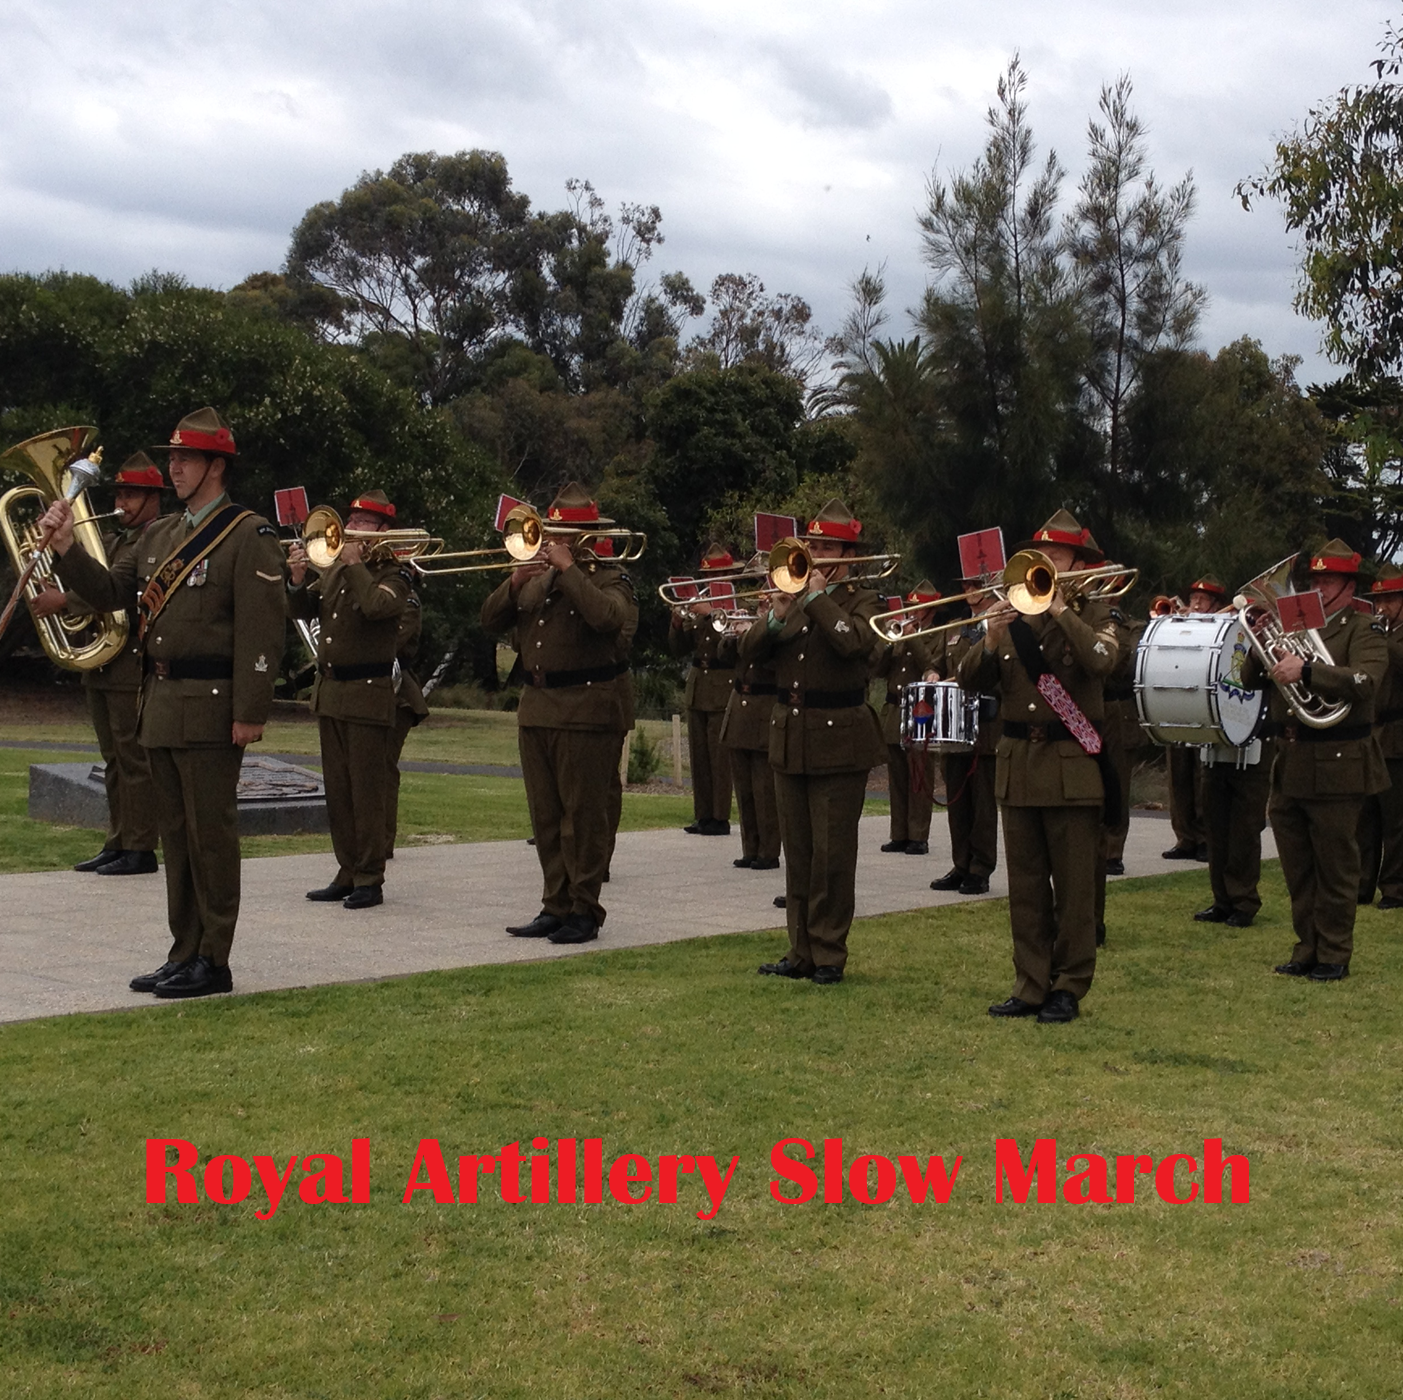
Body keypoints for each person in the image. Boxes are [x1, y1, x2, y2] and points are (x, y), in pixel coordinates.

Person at [39, 408, 286, 998]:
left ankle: (215, 958)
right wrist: (70, 547)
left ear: (216, 466)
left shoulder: (246, 535)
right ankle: (184, 950)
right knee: (176, 838)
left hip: (213, 706)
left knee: (211, 836)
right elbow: (109, 595)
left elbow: (263, 634)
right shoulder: (160, 534)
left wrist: (250, 710)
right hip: (162, 701)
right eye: (172, 457)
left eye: (184, 458)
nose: (173, 467)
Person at [959, 509, 1118, 1023]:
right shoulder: (1011, 617)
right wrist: (988, 638)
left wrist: (1060, 610)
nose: (1046, 564)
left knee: (1074, 889)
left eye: (1058, 557)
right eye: (1041, 557)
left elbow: (1100, 661)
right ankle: (1030, 982)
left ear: (1079, 564)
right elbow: (969, 681)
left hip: (1072, 765)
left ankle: (1069, 984)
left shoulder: (1099, 614)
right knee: (1025, 886)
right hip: (1019, 765)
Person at [481, 482, 634, 944]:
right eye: (555, 533)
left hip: (587, 709)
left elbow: (609, 620)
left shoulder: (612, 578)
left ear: (588, 535)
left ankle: (585, 908)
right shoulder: (538, 576)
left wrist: (569, 570)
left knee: (582, 817)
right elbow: (489, 621)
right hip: (538, 708)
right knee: (545, 817)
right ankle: (555, 904)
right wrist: (514, 582)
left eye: (568, 534)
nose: (556, 541)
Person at [740, 499, 884, 985]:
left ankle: (828, 953)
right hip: (791, 736)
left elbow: (855, 644)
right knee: (798, 854)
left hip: (839, 739)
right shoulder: (791, 597)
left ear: (848, 555)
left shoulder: (863, 600)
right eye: (813, 546)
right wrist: (776, 617)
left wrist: (819, 600)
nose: (816, 555)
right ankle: (799, 950)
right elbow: (745, 653)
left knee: (832, 857)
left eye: (826, 547)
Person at [1243, 540, 1387, 980]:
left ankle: (1334, 954)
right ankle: (1307, 946)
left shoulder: (1364, 628)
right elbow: (1250, 679)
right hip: (1292, 758)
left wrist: (1305, 670)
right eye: (1316, 579)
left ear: (1348, 585)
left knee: (1337, 866)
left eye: (1328, 580)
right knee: (1297, 865)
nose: (1319, 587)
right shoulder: (1295, 625)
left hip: (1338, 759)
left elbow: (1365, 682)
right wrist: (1258, 640)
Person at [31, 453, 167, 876]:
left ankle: (141, 847)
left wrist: (64, 602)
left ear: (153, 498)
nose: (122, 501)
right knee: (111, 758)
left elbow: (119, 592)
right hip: (103, 660)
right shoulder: (113, 540)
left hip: (130, 659)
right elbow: (91, 577)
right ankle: (119, 839)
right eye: (120, 493)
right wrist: (53, 547)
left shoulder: (156, 538)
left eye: (131, 494)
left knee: (133, 758)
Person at [288, 490, 412, 909]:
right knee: (338, 791)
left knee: (366, 790)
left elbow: (378, 608)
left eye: (364, 523)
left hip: (367, 693)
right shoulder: (337, 570)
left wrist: (357, 564)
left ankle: (370, 876)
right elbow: (302, 610)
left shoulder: (395, 573)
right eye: (352, 520)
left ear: (383, 532)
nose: (353, 528)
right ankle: (346, 869)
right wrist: (297, 578)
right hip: (333, 692)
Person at [932, 589, 1002, 895]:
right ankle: (960, 865)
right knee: (957, 802)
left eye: (978, 585)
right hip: (952, 724)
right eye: (967, 586)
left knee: (983, 803)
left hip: (986, 725)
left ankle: (980, 869)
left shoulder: (1003, 625)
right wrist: (932, 673)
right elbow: (936, 662)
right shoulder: (956, 628)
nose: (971, 592)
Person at [872, 581, 943, 857]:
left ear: (931, 610)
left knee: (919, 775)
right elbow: (878, 670)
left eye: (919, 608)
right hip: (894, 711)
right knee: (897, 778)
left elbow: (930, 665)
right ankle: (898, 833)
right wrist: (890, 642)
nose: (913, 613)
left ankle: (918, 835)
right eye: (910, 607)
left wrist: (912, 637)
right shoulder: (898, 635)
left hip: (919, 712)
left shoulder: (938, 635)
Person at [669, 543, 736, 835]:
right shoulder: (699, 603)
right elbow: (677, 649)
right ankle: (703, 814)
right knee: (699, 756)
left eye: (718, 575)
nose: (711, 581)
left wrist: (710, 614)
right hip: (699, 685)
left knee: (720, 757)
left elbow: (733, 643)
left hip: (723, 684)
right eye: (708, 576)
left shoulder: (736, 604)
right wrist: (676, 622)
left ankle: (720, 817)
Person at [719, 583, 782, 871]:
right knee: (744, 788)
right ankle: (750, 847)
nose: (763, 610)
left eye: (767, 605)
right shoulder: (753, 628)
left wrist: (754, 634)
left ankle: (768, 851)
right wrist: (734, 634)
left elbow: (772, 665)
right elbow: (725, 657)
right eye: (761, 606)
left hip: (764, 706)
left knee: (764, 789)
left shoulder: (780, 632)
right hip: (740, 707)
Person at [1162, 578, 1224, 862]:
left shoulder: (1221, 626)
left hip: (1203, 706)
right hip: (1176, 704)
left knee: (1202, 775)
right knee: (1179, 774)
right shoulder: (1179, 625)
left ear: (1216, 605)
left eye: (1204, 599)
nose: (1196, 604)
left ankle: (1204, 838)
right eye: (1194, 598)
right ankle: (1184, 837)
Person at [1359, 564, 1403, 909]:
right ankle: (1362, 884)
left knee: (1395, 820)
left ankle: (1395, 887)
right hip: (1372, 734)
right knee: (1365, 816)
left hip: (1398, 736)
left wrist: (1381, 636)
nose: (1382, 606)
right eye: (1379, 599)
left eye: (1389, 599)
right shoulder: (1381, 632)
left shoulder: (1391, 636)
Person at [384, 586, 430, 860]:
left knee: (383, 769)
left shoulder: (407, 599)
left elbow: (391, 642)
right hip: (363, 694)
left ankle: (382, 841)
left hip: (397, 695)